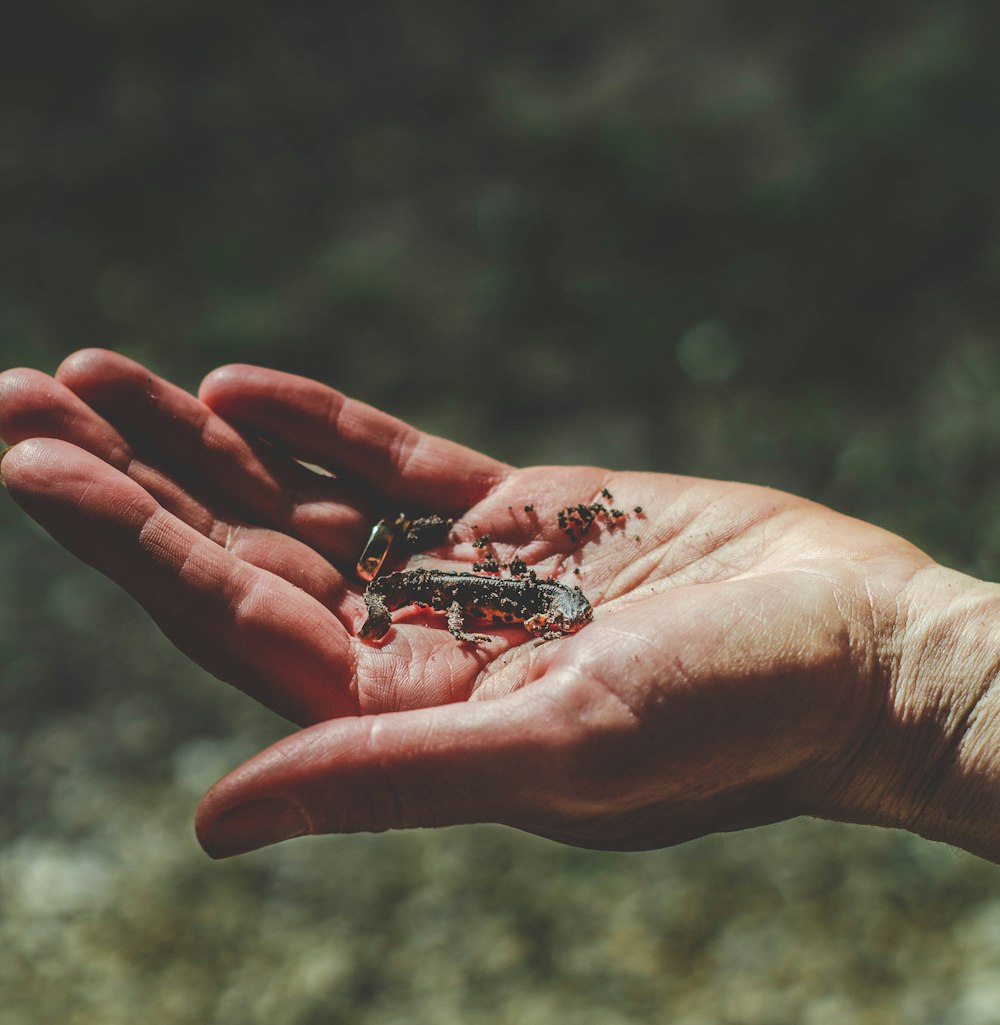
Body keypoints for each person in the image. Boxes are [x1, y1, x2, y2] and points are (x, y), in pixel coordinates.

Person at [1, 349, 998, 863]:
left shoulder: (533, 598)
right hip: (434, 581)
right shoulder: (474, 592)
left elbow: (519, 605)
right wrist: (907, 685)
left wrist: (900, 682)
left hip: (450, 583)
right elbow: (479, 605)